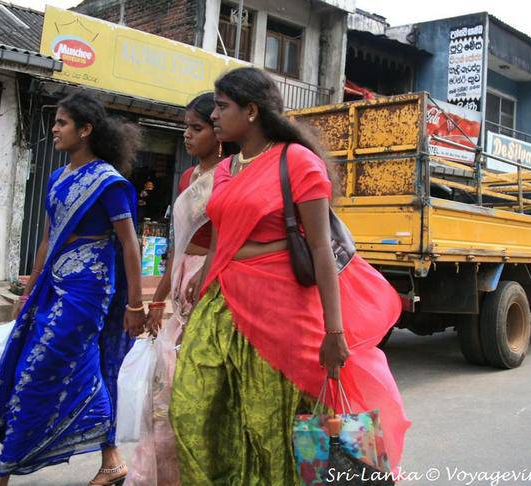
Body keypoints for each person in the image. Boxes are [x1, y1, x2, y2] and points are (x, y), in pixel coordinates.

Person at [169, 67, 411, 484]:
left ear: (251, 111)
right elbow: (222, 235)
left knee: (274, 429)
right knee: (191, 410)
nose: (213, 117)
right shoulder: (226, 170)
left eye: (222, 107)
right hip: (221, 304)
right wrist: (202, 275)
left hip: (281, 310)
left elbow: (321, 249)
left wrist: (334, 333)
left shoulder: (297, 162)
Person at [0, 92, 145, 486]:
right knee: (78, 366)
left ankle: (2, 473)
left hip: (88, 290)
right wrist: (30, 287)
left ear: (85, 130)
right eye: (55, 122)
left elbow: (129, 244)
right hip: (52, 287)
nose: (54, 130)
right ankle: (111, 458)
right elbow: (49, 236)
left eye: (62, 123)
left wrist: (135, 304)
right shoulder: (57, 178)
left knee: (38, 369)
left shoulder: (110, 183)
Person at [125, 93, 237, 486]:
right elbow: (179, 241)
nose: (187, 136)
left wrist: (203, 280)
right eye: (185, 128)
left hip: (213, 281)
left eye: (197, 128)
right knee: (163, 389)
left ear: (219, 132)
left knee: (191, 388)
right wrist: (157, 299)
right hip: (182, 277)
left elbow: (223, 240)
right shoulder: (189, 178)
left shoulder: (232, 173)